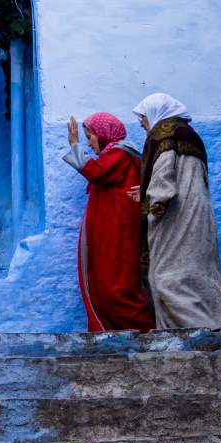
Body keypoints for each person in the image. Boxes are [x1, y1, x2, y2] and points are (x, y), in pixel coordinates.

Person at [128, 93, 221, 330]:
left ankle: (201, 335)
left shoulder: (164, 132)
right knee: (196, 278)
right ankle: (216, 330)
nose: (142, 123)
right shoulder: (189, 134)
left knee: (168, 279)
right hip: (197, 215)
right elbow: (185, 175)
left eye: (143, 116)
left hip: (175, 220)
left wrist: (153, 200)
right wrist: (145, 192)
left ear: (156, 112)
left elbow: (164, 177)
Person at [63, 112, 156, 332]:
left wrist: (75, 145)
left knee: (116, 287)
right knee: (108, 284)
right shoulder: (117, 155)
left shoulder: (120, 154)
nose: (89, 142)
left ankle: (147, 332)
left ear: (104, 134)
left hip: (117, 237)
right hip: (112, 237)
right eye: (86, 137)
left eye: (91, 136)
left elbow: (96, 172)